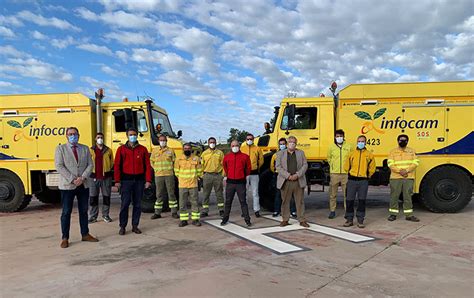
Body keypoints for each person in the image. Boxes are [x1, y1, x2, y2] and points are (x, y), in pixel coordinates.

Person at [55, 127, 98, 248]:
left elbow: (90, 165)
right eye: (70, 134)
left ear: (79, 135)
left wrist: (82, 178)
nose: (73, 136)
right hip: (68, 185)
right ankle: (65, 238)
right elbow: (59, 166)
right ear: (66, 136)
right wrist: (73, 179)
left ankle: (85, 234)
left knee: (84, 211)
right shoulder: (60, 149)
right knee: (66, 212)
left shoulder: (84, 148)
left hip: (83, 184)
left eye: (75, 134)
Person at [114, 127, 152, 235]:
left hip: (139, 181)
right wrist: (117, 181)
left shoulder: (143, 149)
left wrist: (148, 180)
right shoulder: (121, 149)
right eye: (131, 135)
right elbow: (117, 166)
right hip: (126, 181)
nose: (133, 136)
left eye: (134, 134)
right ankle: (122, 226)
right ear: (127, 136)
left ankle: (135, 225)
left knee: (138, 205)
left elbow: (147, 166)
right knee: (125, 204)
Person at [276, 136, 309, 228]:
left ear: (296, 143)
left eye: (294, 142)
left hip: (298, 181)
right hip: (286, 181)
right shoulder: (280, 154)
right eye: (290, 142)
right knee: (285, 201)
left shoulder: (301, 153)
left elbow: (305, 165)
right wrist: (288, 176)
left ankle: (302, 220)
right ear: (287, 143)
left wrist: (297, 175)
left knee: (300, 201)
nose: (292, 144)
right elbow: (278, 167)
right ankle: (285, 220)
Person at [343, 135, 375, 228]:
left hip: (363, 181)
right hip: (352, 180)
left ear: (365, 142)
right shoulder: (351, 153)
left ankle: (360, 220)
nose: (361, 143)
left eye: (362, 141)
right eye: (359, 141)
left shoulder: (369, 155)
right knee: (349, 201)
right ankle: (349, 220)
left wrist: (367, 176)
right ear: (357, 142)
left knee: (362, 201)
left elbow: (372, 168)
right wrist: (350, 173)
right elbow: (346, 166)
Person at [387, 134, 420, 222]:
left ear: (407, 141)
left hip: (408, 177)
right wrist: (400, 171)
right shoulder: (393, 152)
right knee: (394, 196)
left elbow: (416, 162)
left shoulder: (412, 151)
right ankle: (393, 214)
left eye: (404, 140)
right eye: (401, 140)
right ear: (398, 141)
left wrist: (407, 170)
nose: (402, 141)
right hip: (395, 177)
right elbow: (390, 164)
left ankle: (409, 215)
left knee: (408, 196)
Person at [221, 140, 252, 227]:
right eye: (233, 145)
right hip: (230, 182)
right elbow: (225, 167)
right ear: (230, 147)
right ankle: (225, 219)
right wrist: (229, 175)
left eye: (236, 145)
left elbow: (248, 168)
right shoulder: (227, 157)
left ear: (239, 146)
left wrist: (242, 176)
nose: (235, 147)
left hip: (240, 183)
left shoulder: (245, 157)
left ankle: (247, 220)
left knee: (243, 202)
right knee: (228, 202)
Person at [150, 135, 178, 219]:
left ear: (166, 141)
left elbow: (175, 162)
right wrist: (155, 169)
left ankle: (174, 212)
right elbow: (151, 161)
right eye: (161, 140)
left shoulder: (171, 151)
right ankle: (157, 213)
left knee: (171, 193)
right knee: (159, 194)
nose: (163, 142)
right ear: (158, 141)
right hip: (158, 175)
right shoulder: (154, 151)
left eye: (164, 140)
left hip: (169, 175)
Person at [88, 132, 114, 223]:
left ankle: (106, 215)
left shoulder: (108, 150)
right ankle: (93, 216)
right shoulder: (91, 150)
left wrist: (106, 171)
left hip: (106, 177)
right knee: (93, 198)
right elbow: (88, 162)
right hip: (93, 177)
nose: (100, 139)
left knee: (106, 197)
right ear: (95, 139)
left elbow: (111, 163)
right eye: (98, 137)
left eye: (101, 137)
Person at [175, 143, 203, 227]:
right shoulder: (178, 159)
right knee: (182, 203)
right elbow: (176, 171)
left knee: (194, 203)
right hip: (182, 185)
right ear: (183, 149)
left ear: (191, 149)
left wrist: (198, 178)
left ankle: (195, 219)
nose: (187, 150)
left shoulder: (196, 158)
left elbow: (199, 170)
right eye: (185, 148)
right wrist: (181, 179)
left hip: (193, 184)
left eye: (188, 148)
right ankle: (183, 220)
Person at [327, 129, 352, 219]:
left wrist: (348, 168)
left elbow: (351, 159)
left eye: (341, 136)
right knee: (333, 194)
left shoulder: (349, 146)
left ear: (343, 137)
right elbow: (329, 158)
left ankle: (347, 211)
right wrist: (333, 167)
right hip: (334, 174)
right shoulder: (331, 147)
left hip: (345, 174)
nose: (339, 138)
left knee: (347, 194)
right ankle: (332, 211)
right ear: (335, 137)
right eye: (337, 136)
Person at [270, 138, 296, 218]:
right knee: (278, 194)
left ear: (286, 144)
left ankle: (293, 211)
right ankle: (276, 210)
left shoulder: (291, 154)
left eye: (283, 144)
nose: (282, 145)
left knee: (291, 194)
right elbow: (272, 166)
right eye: (280, 144)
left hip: (288, 176)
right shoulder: (275, 155)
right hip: (280, 176)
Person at [240, 133, 264, 217]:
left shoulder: (257, 149)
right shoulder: (242, 148)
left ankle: (256, 210)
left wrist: (257, 167)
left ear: (253, 140)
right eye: (248, 139)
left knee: (255, 193)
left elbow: (261, 160)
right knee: (244, 193)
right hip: (244, 174)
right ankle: (244, 211)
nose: (249, 140)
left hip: (254, 173)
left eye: (251, 139)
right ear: (245, 140)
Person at [200, 137, 225, 218]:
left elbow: (224, 165)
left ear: (216, 143)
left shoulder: (220, 153)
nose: (212, 143)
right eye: (210, 142)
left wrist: (222, 175)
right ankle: (205, 211)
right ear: (208, 143)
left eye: (213, 142)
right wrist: (202, 175)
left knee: (219, 194)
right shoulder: (204, 153)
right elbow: (201, 165)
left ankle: (221, 210)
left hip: (217, 175)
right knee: (206, 194)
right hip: (207, 175)